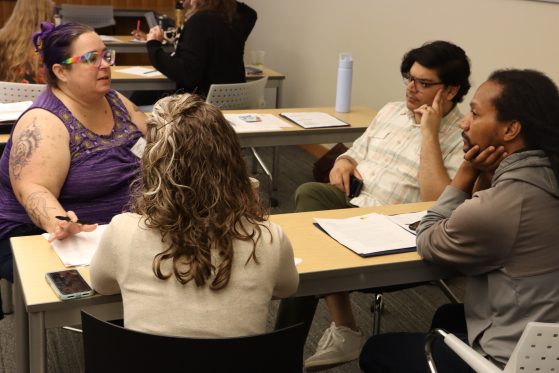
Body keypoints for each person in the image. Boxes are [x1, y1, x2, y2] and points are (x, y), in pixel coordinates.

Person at [278, 40, 472, 369]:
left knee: (307, 261)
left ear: (450, 90)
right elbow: (358, 149)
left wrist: (429, 132)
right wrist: (343, 160)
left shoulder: (461, 134)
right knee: (310, 194)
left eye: (423, 83)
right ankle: (336, 328)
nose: (411, 89)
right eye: (408, 78)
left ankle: (315, 339)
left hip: (399, 231)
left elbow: (438, 202)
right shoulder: (392, 110)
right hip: (356, 207)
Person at [359, 68, 559, 372]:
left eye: (476, 115)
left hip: (507, 362)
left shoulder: (503, 205)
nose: (465, 122)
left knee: (376, 350)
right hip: (547, 350)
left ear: (510, 130)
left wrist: (466, 173)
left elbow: (427, 240)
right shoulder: (546, 180)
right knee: (449, 316)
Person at [90, 94, 299, 337]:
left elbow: (101, 285)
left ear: (153, 165)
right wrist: (249, 215)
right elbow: (287, 288)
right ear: (232, 161)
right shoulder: (270, 239)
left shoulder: (122, 232)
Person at [0, 21, 147, 317]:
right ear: (61, 72)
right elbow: (34, 188)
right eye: (92, 59)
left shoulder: (114, 100)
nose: (105, 65)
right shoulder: (45, 122)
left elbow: (155, 140)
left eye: (106, 55)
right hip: (43, 233)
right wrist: (58, 221)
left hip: (120, 228)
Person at [131, 0, 257, 102]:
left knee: (138, 97)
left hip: (199, 104)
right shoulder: (237, 18)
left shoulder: (199, 21)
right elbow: (250, 13)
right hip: (234, 100)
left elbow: (186, 74)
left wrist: (153, 45)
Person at [0, 0, 53, 83]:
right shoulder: (54, 40)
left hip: (7, 94)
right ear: (48, 12)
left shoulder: (3, 37)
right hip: (43, 94)